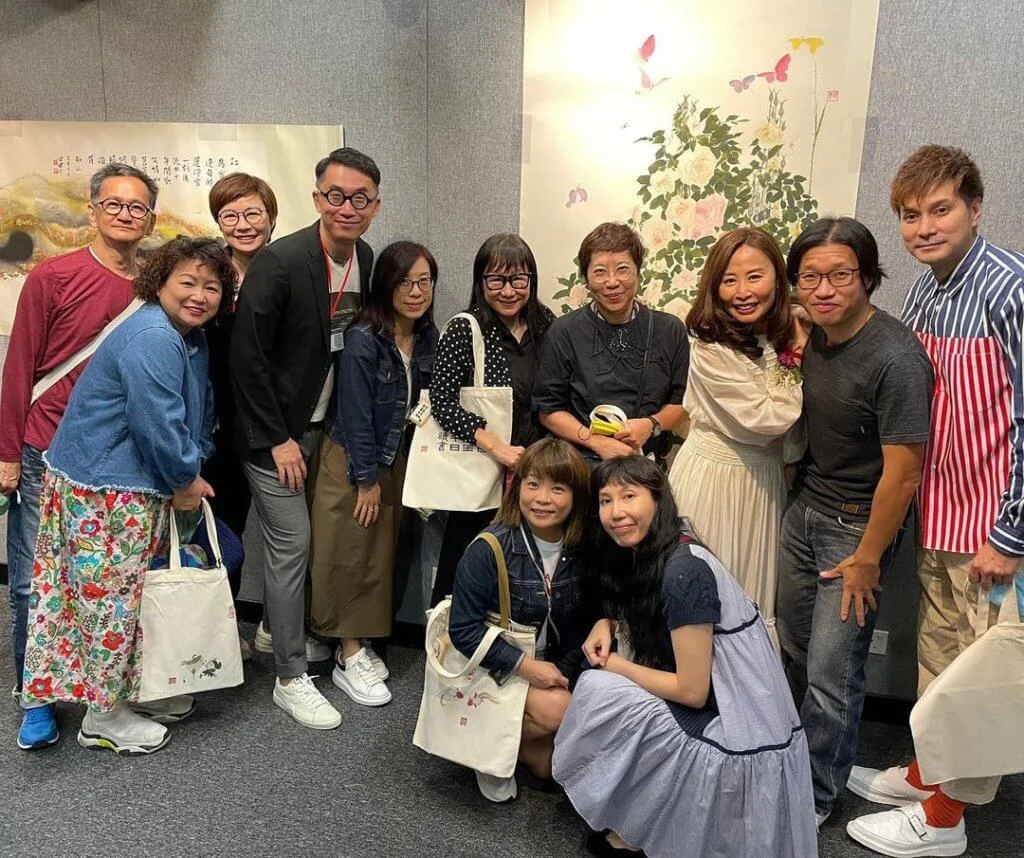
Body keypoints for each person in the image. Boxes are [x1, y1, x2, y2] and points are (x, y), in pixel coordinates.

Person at [846, 146, 1024, 856]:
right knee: (941, 654)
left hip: (995, 527)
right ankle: (929, 776)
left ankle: (947, 820)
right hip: (941, 513)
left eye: (941, 209)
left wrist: (1011, 535)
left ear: (975, 208)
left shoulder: (1011, 289)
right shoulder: (925, 290)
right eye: (910, 214)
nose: (924, 227)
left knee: (984, 675)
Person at [20, 237, 230, 754]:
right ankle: (103, 717)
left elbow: (186, 411)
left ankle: (123, 693)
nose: (199, 295)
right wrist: (184, 478)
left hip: (114, 483)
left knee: (122, 599)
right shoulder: (155, 336)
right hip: (106, 491)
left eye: (212, 286)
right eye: (187, 282)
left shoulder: (184, 334)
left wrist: (187, 467)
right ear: (159, 282)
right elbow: (157, 423)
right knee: (110, 604)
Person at [552, 456, 817, 857]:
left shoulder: (683, 572)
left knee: (600, 686)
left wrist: (617, 666)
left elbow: (692, 692)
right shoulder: (665, 545)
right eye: (605, 500)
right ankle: (639, 815)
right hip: (734, 712)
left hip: (738, 736)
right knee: (611, 685)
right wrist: (608, 621)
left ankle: (642, 822)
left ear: (658, 500)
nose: (616, 512)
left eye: (629, 496)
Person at [775, 217, 933, 827]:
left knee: (831, 672)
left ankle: (815, 796)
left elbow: (905, 474)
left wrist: (869, 556)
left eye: (840, 275)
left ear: (867, 276)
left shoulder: (896, 357)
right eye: (809, 276)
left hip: (855, 530)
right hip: (804, 510)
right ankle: (784, 764)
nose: (824, 289)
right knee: (793, 649)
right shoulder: (814, 331)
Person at [0, 162, 158, 750]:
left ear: (149, 220)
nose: (125, 215)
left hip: (116, 458)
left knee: (112, 584)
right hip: (45, 448)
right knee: (32, 580)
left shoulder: (155, 286)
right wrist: (7, 452)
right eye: (113, 204)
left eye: (137, 207)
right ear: (92, 211)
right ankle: (35, 697)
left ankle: (104, 694)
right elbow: (20, 365)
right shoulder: (53, 276)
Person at [231, 147, 380, 730]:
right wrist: (277, 439)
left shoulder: (363, 256)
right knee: (292, 543)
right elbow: (246, 360)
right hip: (275, 435)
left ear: (374, 206)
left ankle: (279, 630)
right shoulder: (280, 260)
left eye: (360, 198)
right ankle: (290, 677)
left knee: (320, 538)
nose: (347, 207)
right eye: (335, 195)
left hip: (325, 427)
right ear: (317, 198)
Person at [308, 241, 438, 707]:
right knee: (348, 550)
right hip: (354, 457)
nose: (416, 292)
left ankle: (356, 642)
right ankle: (348, 654)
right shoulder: (365, 337)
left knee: (379, 554)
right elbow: (356, 415)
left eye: (424, 281)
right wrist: (365, 480)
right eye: (405, 282)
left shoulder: (427, 336)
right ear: (385, 285)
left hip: (396, 457)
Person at [667, 228, 807, 641]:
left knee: (752, 599)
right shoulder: (709, 345)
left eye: (755, 276)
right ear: (715, 287)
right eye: (729, 280)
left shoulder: (783, 333)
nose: (743, 291)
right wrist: (795, 351)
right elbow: (768, 420)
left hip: (762, 485)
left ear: (778, 279)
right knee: (703, 600)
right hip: (712, 479)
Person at [448, 438, 592, 804]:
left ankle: (507, 741)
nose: (542, 499)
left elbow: (582, 621)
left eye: (558, 489)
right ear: (518, 487)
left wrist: (562, 672)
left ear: (576, 497)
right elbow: (464, 631)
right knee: (560, 710)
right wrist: (527, 668)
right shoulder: (489, 548)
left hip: (548, 662)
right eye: (533, 484)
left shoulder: (582, 548)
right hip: (495, 665)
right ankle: (484, 747)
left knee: (547, 769)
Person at [429, 234, 555, 605]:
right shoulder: (465, 328)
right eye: (496, 280)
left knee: (526, 571)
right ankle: (451, 636)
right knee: (468, 566)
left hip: (534, 470)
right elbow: (442, 402)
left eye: (518, 279)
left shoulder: (547, 326)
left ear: (531, 280)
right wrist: (497, 447)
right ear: (480, 281)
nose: (508, 290)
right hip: (481, 468)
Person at [533, 222, 688, 463]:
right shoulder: (563, 332)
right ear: (586, 278)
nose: (612, 282)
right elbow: (548, 410)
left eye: (622, 269)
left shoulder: (670, 330)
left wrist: (650, 425)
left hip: (644, 465)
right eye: (600, 272)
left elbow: (682, 403)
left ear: (638, 271)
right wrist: (597, 442)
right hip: (582, 465)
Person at [202, 173, 278, 541]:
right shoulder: (207, 274)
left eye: (253, 214)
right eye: (230, 216)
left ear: (271, 217)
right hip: (213, 426)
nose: (243, 226)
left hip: (270, 424)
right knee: (217, 531)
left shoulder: (288, 270)